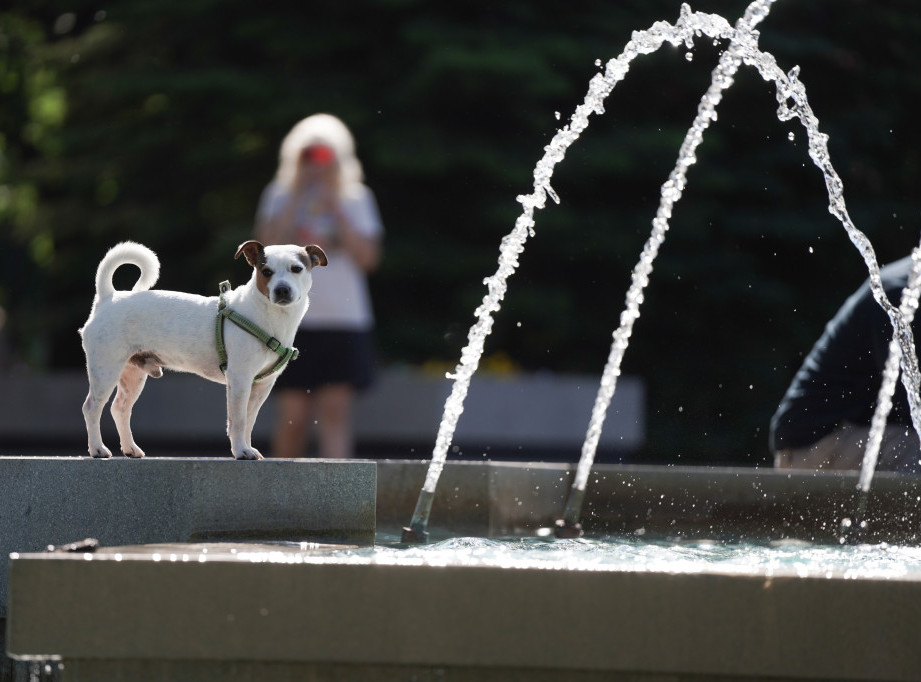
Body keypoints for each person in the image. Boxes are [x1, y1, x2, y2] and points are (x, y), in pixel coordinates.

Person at [255, 114, 383, 459]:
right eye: (307, 156)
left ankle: (337, 500)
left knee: (335, 412)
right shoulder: (279, 195)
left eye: (324, 157)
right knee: (293, 415)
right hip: (290, 320)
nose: (316, 165)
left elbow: (368, 257)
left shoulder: (357, 198)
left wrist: (335, 206)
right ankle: (278, 499)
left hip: (344, 318)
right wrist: (296, 198)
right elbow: (263, 252)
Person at [770, 255, 921, 472]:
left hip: (863, 432)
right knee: (912, 450)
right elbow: (911, 404)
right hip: (815, 444)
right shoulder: (900, 294)